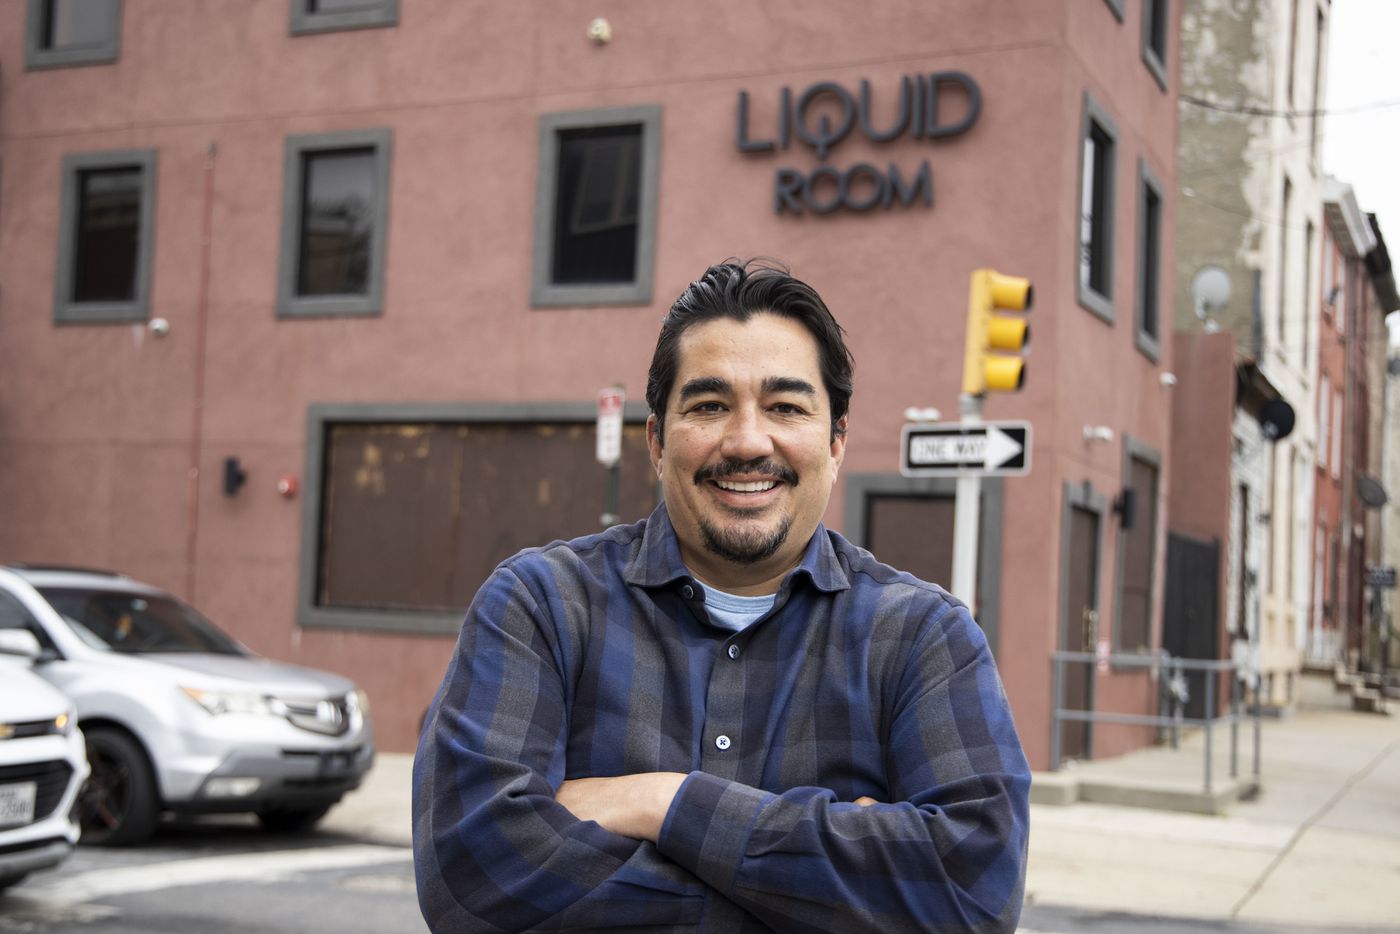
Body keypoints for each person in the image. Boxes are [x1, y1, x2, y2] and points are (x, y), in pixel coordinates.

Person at [414, 259, 1030, 933]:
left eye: (785, 407)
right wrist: (829, 891)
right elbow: (472, 881)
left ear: (836, 442)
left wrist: (664, 803)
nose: (746, 441)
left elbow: (972, 897)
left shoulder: (922, 637)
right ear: (656, 440)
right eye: (709, 406)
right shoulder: (541, 607)